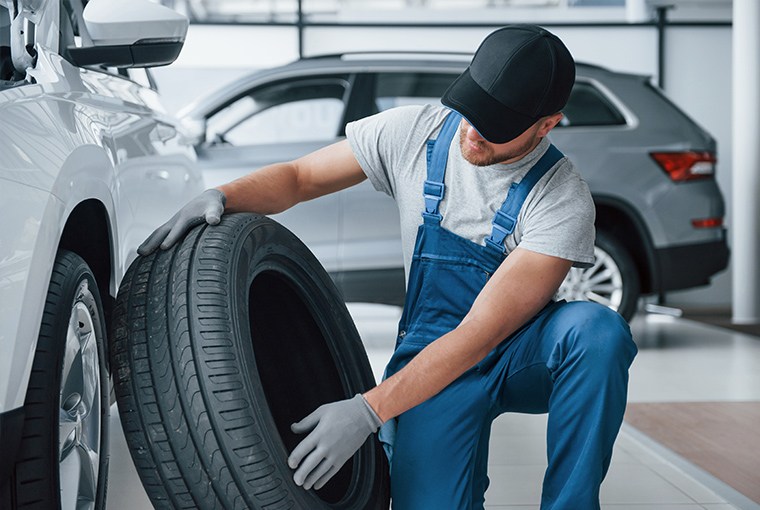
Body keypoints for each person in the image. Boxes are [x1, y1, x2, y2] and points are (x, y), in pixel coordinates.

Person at [138, 24, 637, 510]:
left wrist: (369, 409)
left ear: (547, 124)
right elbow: (300, 177)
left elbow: (482, 334)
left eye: (495, 126)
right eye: (471, 110)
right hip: (432, 353)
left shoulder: (561, 197)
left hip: (520, 352)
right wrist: (224, 195)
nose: (472, 131)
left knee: (597, 332)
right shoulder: (414, 133)